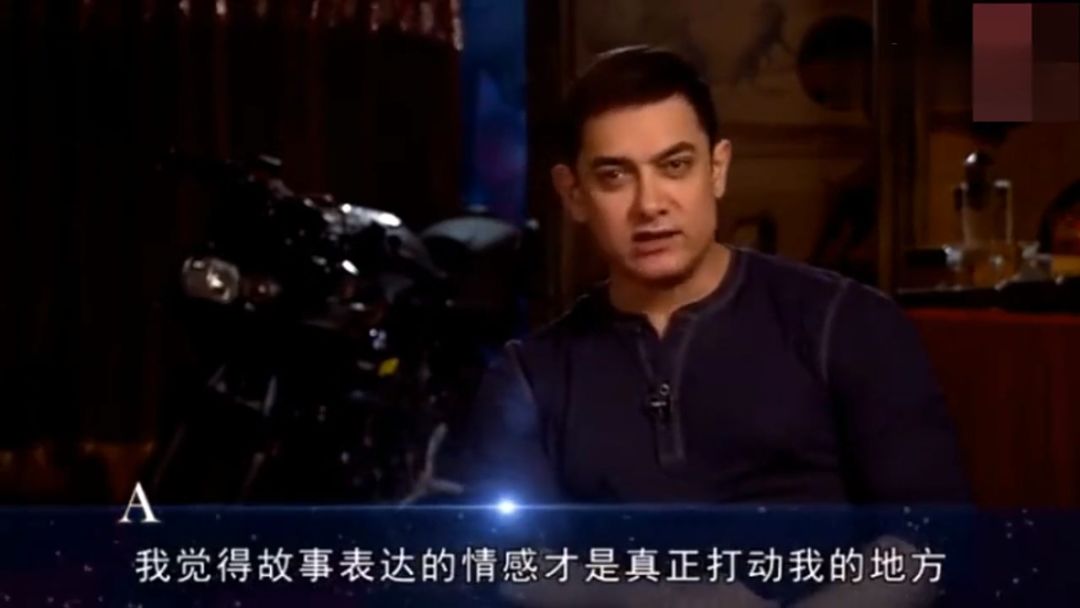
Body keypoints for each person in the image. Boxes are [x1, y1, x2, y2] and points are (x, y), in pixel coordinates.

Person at [459, 45, 968, 508]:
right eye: (615, 176)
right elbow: (511, 561)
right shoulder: (532, 378)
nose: (650, 204)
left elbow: (929, 540)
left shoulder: (847, 325)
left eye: (675, 166)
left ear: (717, 169)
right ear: (573, 194)